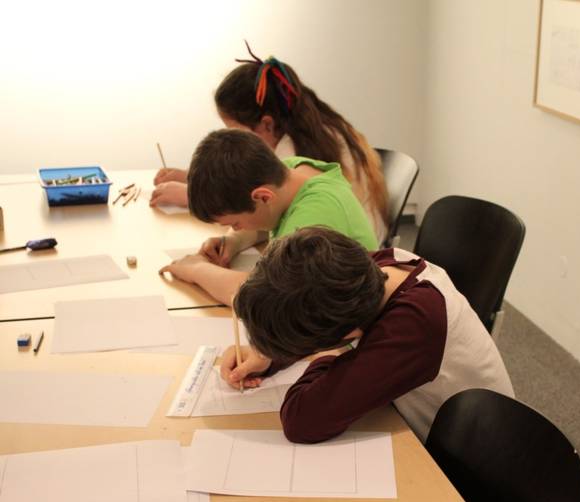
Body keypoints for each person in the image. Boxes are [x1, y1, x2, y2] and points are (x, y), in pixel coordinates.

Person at [216, 226, 515, 444]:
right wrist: (270, 355)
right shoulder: (368, 271)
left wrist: (327, 353)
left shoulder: (414, 324)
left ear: (348, 334)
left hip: (465, 461)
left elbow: (301, 420)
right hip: (417, 413)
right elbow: (314, 307)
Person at [151, 44, 389, 241]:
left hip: (346, 251)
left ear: (266, 124)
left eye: (236, 131)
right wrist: (193, 180)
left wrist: (192, 197)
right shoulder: (315, 133)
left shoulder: (293, 155)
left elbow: (262, 211)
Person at [159, 129, 378, 305]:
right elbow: (270, 217)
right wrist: (234, 241)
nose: (236, 228)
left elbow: (262, 295)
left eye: (235, 223)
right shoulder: (289, 172)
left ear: (263, 197)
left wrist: (196, 269)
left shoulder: (314, 218)